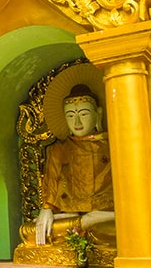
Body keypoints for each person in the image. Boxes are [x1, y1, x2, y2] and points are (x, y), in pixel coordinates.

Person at [33, 85, 116, 245]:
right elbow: (51, 191)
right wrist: (46, 210)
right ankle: (85, 222)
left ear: (98, 113)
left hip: (108, 218)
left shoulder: (112, 147)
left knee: (118, 227)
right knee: (29, 230)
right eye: (70, 116)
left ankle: (90, 221)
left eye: (84, 114)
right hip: (73, 218)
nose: (77, 122)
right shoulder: (59, 149)